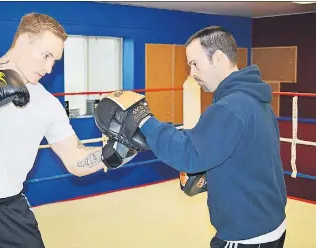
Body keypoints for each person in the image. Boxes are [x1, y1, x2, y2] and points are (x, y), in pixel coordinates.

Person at [0, 12, 136, 248]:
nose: (49, 68)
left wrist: (115, 151)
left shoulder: (47, 103)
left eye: (54, 61)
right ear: (23, 41)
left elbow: (75, 159)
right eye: (46, 56)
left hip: (10, 211)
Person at [94, 26, 287, 248]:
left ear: (218, 58)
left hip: (245, 235)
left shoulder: (230, 107)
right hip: (270, 224)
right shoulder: (255, 100)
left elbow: (189, 155)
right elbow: (248, 154)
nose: (192, 73)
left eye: (195, 64)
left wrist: (144, 119)